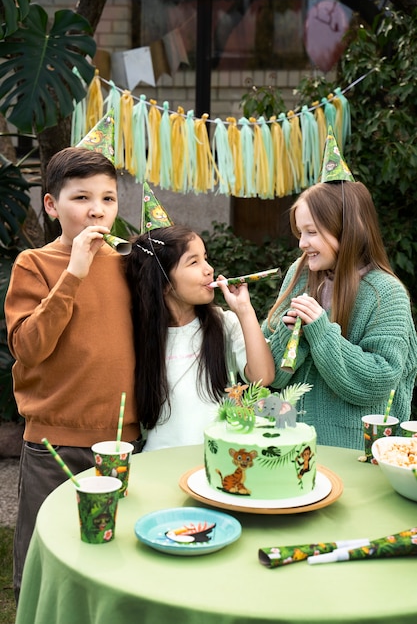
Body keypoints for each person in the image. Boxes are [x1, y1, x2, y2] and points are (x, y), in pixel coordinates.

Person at [5, 146, 140, 601]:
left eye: (108, 198)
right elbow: (28, 348)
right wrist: (74, 274)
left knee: (118, 565)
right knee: (44, 567)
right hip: (53, 443)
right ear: (51, 205)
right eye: (81, 198)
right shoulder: (35, 264)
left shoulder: (128, 264)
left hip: (122, 442)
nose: (97, 210)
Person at [262, 179, 417, 449]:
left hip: (353, 451)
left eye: (311, 232)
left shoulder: (386, 293)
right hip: (289, 442)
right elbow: (269, 374)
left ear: (347, 231)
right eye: (300, 232)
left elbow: (378, 381)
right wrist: (289, 335)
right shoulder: (299, 276)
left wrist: (321, 332)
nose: (302, 243)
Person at [124, 224, 275, 451]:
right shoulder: (137, 335)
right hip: (157, 463)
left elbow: (262, 377)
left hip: (216, 460)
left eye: (205, 258)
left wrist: (245, 310)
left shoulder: (224, 324)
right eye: (194, 262)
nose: (209, 269)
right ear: (164, 283)